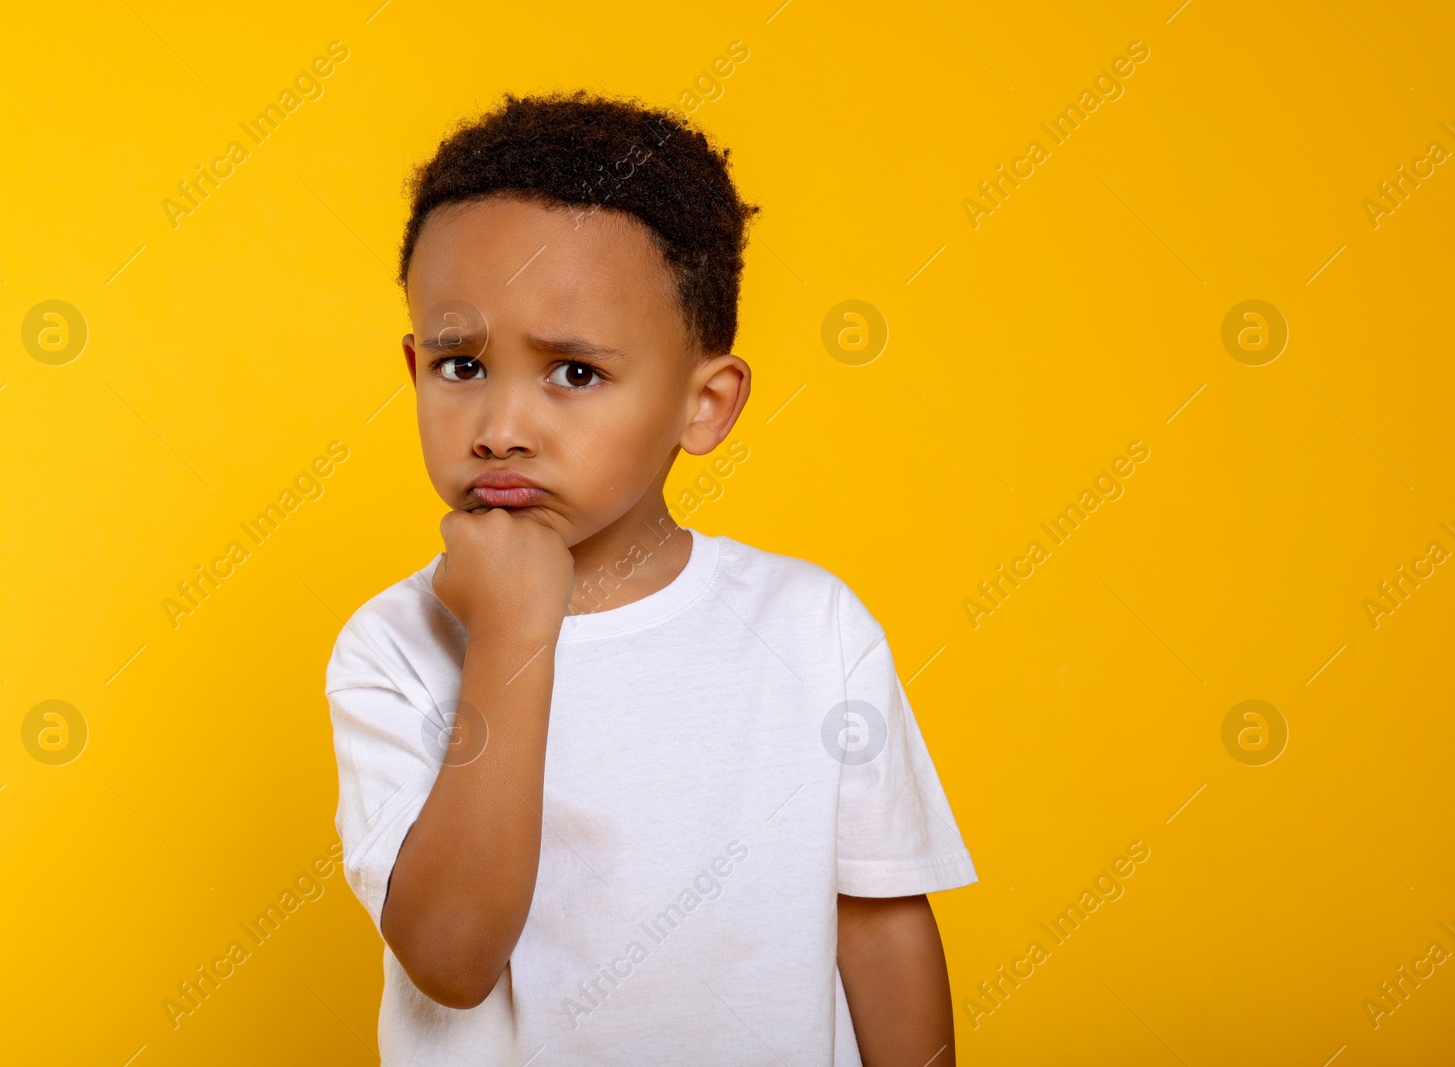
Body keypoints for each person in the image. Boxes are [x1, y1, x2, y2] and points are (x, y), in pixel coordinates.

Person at [326, 90, 976, 1066]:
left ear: (702, 404)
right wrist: (510, 632)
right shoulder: (394, 645)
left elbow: (878, 927)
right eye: (460, 365)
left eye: (573, 373)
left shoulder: (810, 627)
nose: (500, 424)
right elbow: (452, 956)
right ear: (413, 365)